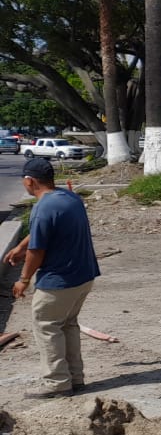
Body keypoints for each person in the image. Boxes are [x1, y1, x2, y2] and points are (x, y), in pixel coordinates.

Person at [5, 158, 101, 399]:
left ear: (30, 181)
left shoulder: (42, 208)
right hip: (83, 276)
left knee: (47, 326)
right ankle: (75, 379)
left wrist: (24, 279)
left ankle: (57, 383)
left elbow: (38, 251)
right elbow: (44, 231)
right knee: (67, 324)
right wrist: (20, 247)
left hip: (59, 282)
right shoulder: (69, 198)